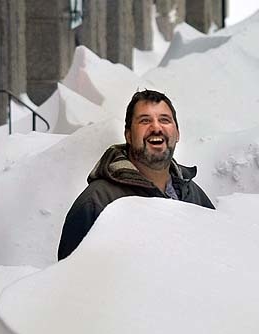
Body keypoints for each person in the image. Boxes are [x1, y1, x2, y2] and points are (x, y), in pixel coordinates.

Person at [58, 89, 214, 260]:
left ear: (177, 134)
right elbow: (73, 281)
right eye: (145, 121)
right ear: (129, 136)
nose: (156, 127)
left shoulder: (192, 194)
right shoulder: (98, 202)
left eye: (165, 120)